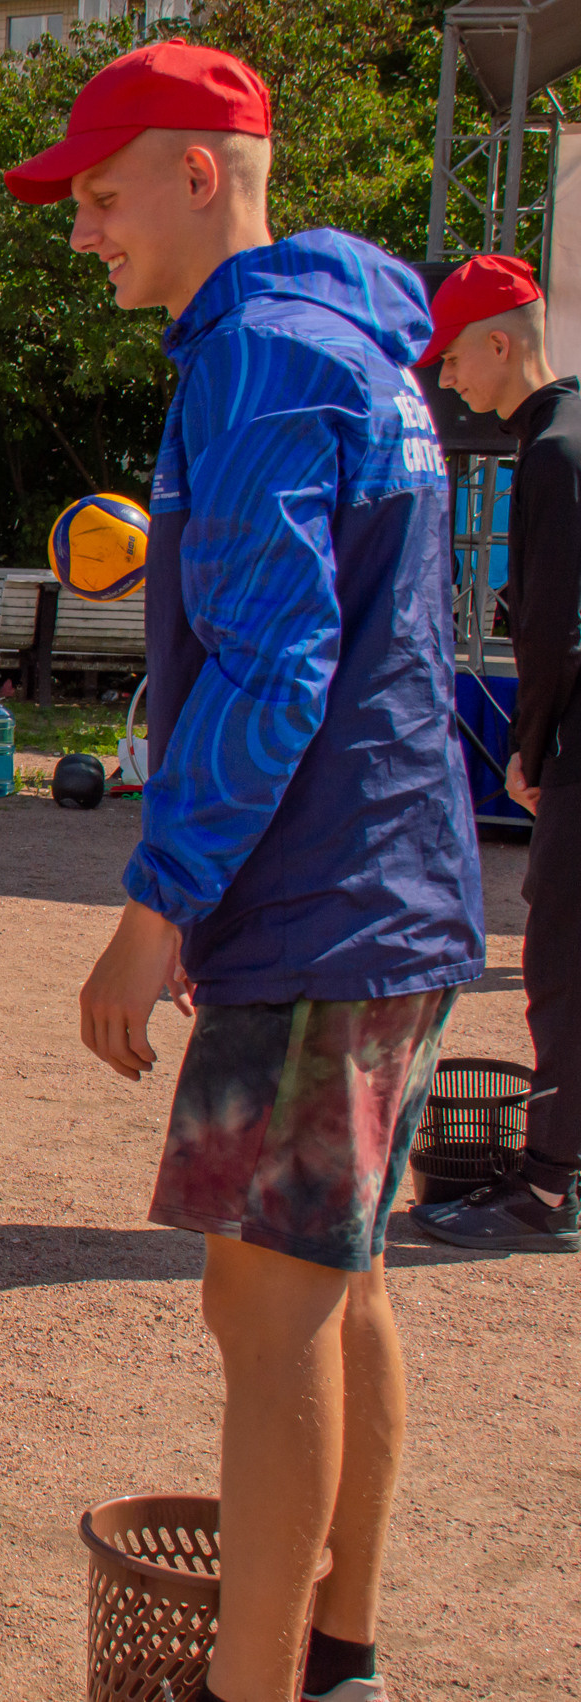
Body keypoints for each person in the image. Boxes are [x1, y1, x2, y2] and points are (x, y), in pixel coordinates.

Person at [23, 40, 484, 1702]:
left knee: (265, 1314)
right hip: (405, 889)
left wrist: (150, 915)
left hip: (320, 900)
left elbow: (281, 664)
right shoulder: (355, 341)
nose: (84, 235)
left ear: (199, 173)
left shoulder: (260, 358)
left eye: (99, 195)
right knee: (339, 1280)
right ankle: (339, 1649)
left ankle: (257, 1684)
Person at [412, 255, 581, 1255]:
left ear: (501, 343)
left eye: (454, 359)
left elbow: (555, 633)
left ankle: (546, 1190)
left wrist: (528, 746)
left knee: (560, 965)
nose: (445, 381)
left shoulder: (552, 454)